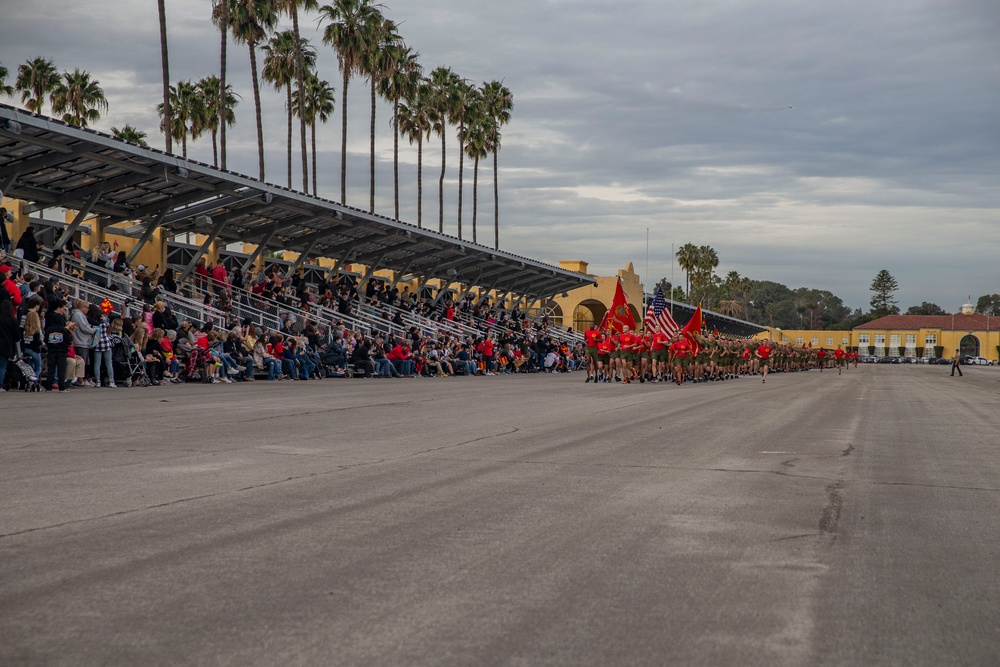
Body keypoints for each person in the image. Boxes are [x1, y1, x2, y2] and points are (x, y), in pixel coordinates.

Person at [45, 301, 72, 392]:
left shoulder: (49, 329)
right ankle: (62, 387)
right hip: (62, 351)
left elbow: (46, 340)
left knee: (51, 368)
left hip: (51, 350)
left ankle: (48, 386)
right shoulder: (64, 330)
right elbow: (68, 340)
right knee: (61, 369)